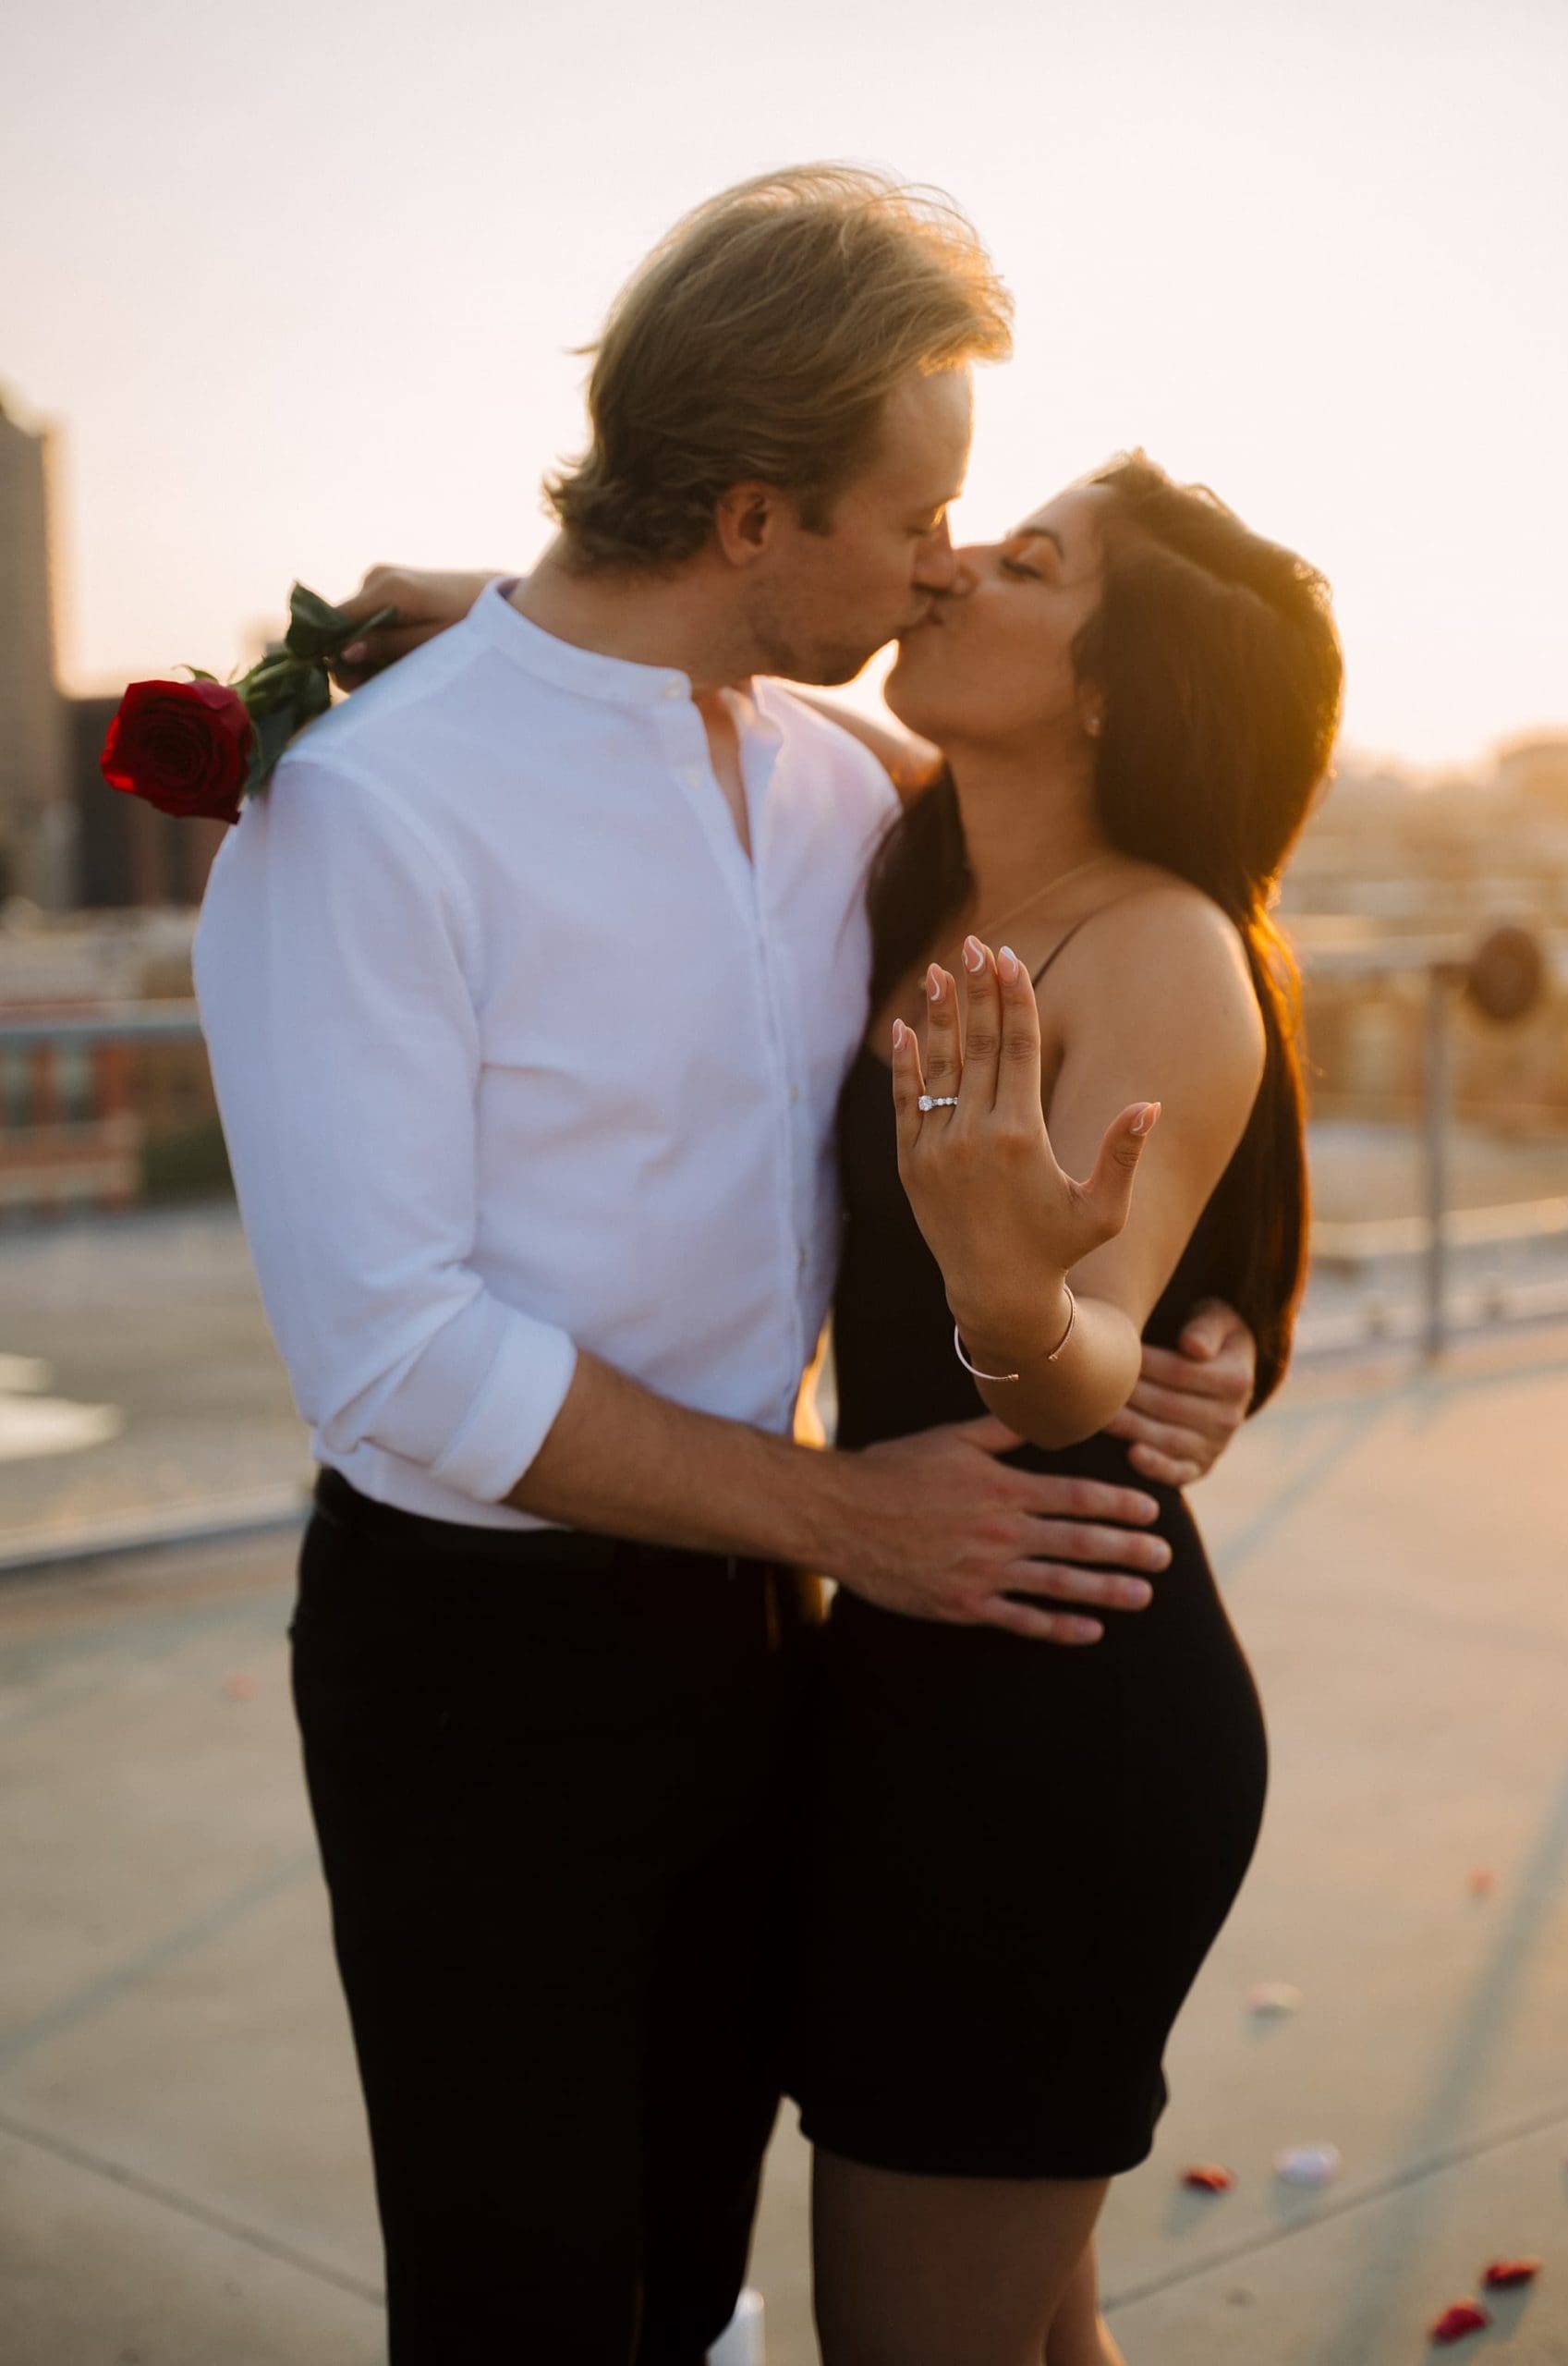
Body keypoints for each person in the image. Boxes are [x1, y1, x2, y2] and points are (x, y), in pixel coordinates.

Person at [196, 166, 1257, 2363]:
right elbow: (394, 1356)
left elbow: (1157, 896)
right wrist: (848, 1512)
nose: (944, 559)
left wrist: (1195, 1321)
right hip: (481, 1673)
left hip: (778, 1653)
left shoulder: (835, 787)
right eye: (917, 515)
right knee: (530, 2309)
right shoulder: (374, 811)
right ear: (759, 516)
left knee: (687, 2281)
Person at [787, 456, 1343, 2366]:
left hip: (1054, 1726)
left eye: (1023, 563)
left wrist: (1016, 1298)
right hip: (926, 1680)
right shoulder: (916, 846)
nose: (946, 568)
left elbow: (1086, 1361)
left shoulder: (1159, 942)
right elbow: (693, 662)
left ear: (1113, 688)